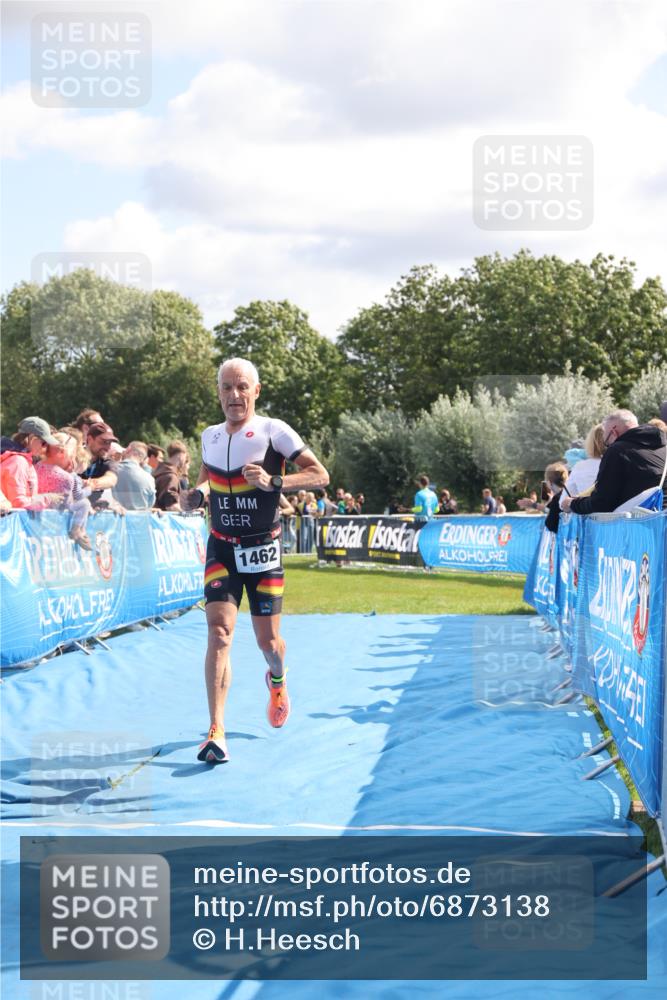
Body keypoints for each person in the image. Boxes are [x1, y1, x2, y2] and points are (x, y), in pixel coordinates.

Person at [193, 357, 328, 764]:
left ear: (256, 390)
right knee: (219, 633)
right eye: (226, 387)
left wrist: (274, 482)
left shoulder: (274, 430)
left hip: (263, 551)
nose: (234, 395)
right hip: (222, 547)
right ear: (218, 392)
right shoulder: (210, 436)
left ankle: (278, 679)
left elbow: (320, 475)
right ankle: (216, 730)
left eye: (242, 387)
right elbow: (206, 478)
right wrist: (196, 494)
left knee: (268, 643)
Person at [562, 409, 667, 514]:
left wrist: (572, 504)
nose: (607, 447)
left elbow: (601, 504)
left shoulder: (617, 450)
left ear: (614, 432)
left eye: (607, 443)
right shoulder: (664, 448)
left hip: (637, 521)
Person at [559, 423, 606, 508]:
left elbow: (562, 503)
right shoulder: (622, 464)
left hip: (588, 513)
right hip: (621, 514)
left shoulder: (580, 466)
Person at [80, 423, 120, 507]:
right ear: (90, 439)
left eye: (109, 443)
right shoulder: (74, 456)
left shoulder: (107, 462)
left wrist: (91, 484)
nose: (108, 447)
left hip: (91, 509)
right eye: (104, 442)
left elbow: (111, 479)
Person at [112, 441, 157, 510]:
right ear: (143, 459)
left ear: (128, 449)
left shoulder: (111, 471)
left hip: (114, 515)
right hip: (140, 516)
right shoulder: (150, 479)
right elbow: (150, 504)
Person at [153, 442, 190, 511]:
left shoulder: (158, 471)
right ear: (181, 456)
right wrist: (190, 513)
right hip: (163, 516)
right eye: (185, 457)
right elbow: (171, 506)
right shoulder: (171, 476)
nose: (185, 460)